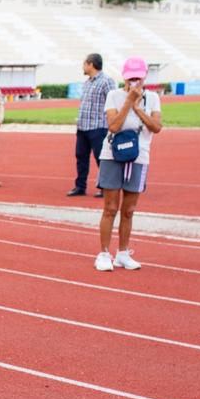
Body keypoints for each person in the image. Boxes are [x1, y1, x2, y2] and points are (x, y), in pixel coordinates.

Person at [95, 56, 161, 272]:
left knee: (129, 209)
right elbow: (113, 126)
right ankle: (104, 253)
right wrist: (127, 102)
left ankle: (123, 253)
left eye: (138, 78)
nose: (134, 82)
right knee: (110, 207)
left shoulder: (152, 98)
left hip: (139, 156)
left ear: (144, 77)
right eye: (130, 78)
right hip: (112, 155)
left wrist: (138, 107)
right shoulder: (114, 95)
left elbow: (157, 126)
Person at [68, 53, 113, 198]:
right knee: (81, 157)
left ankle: (105, 187)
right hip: (83, 127)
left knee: (101, 158)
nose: (83, 66)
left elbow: (112, 102)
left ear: (91, 64)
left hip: (98, 127)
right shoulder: (87, 83)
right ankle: (80, 186)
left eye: (84, 63)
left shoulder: (107, 81)